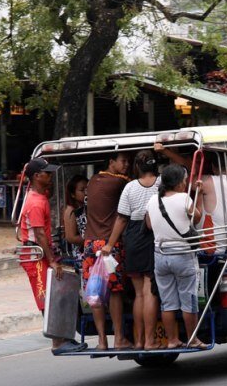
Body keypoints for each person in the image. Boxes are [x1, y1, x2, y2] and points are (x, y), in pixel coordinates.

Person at [19, 157, 86, 355]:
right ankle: (58, 342)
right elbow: (39, 234)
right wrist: (51, 261)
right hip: (36, 255)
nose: (50, 176)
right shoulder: (35, 202)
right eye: (46, 173)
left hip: (40, 253)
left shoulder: (40, 196)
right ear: (37, 176)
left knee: (54, 295)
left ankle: (63, 338)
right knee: (47, 298)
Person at [145, 164, 207, 349]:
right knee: (188, 299)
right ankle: (192, 338)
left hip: (161, 256)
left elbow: (149, 225)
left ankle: (172, 340)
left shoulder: (153, 200)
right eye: (185, 180)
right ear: (180, 182)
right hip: (182, 255)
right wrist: (200, 196)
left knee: (168, 302)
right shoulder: (183, 198)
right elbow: (197, 218)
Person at [106, 150, 161, 350]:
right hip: (153, 234)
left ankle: (138, 341)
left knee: (139, 294)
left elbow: (121, 219)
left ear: (137, 167)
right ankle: (150, 341)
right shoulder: (161, 184)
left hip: (132, 237)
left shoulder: (129, 187)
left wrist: (109, 245)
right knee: (150, 292)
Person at [82, 152, 131, 350]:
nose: (126, 165)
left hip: (89, 245)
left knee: (95, 292)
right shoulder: (120, 182)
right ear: (111, 162)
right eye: (123, 161)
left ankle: (102, 341)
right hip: (109, 245)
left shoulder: (93, 180)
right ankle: (119, 338)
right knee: (115, 292)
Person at [63, 174, 88, 269]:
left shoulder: (87, 206)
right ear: (73, 194)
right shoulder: (70, 211)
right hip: (81, 254)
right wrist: (91, 242)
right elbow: (71, 237)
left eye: (87, 189)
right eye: (82, 190)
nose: (86, 192)